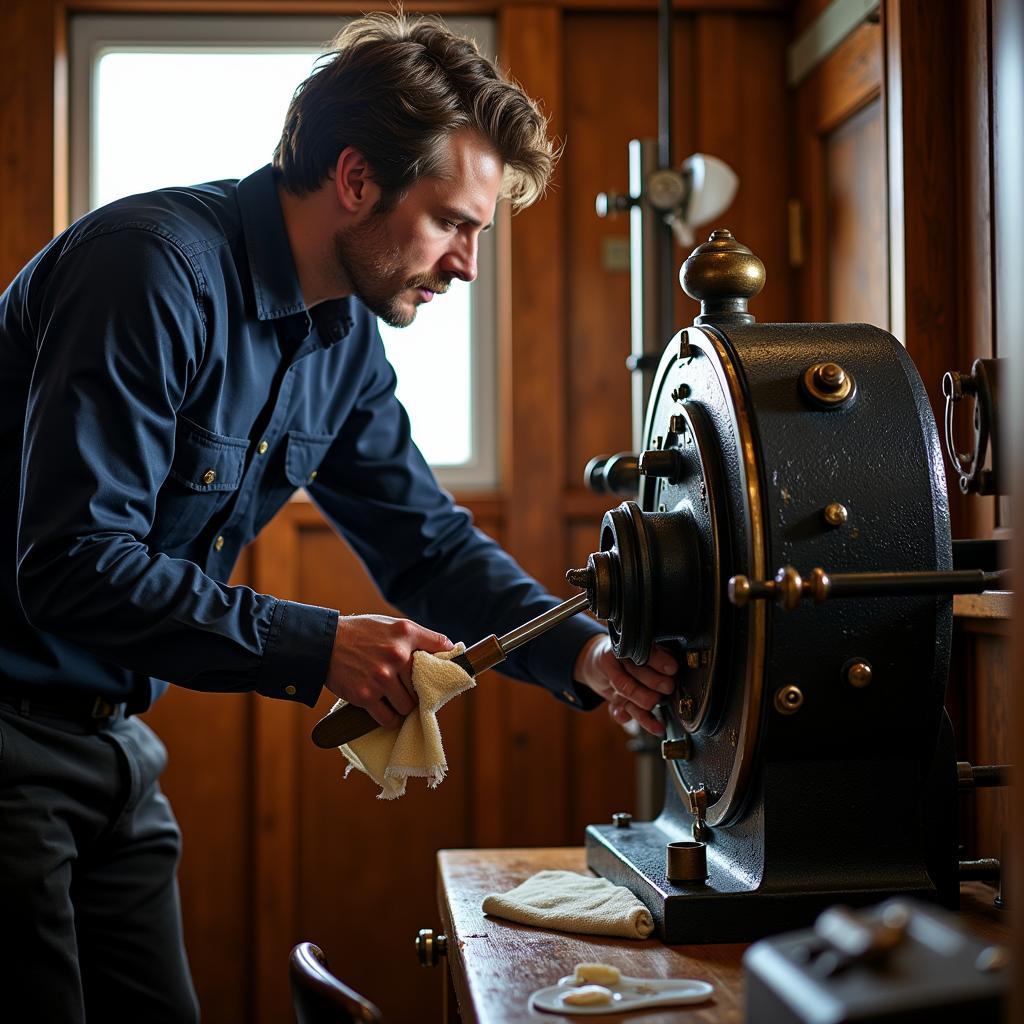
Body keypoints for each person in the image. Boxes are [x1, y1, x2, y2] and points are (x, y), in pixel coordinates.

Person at [0, 11, 677, 1021]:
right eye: (453, 222)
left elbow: (426, 543)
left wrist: (582, 655)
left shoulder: (345, 345)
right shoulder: (147, 271)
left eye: (477, 233)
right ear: (356, 180)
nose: (466, 265)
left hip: (116, 748)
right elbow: (73, 563)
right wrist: (320, 644)